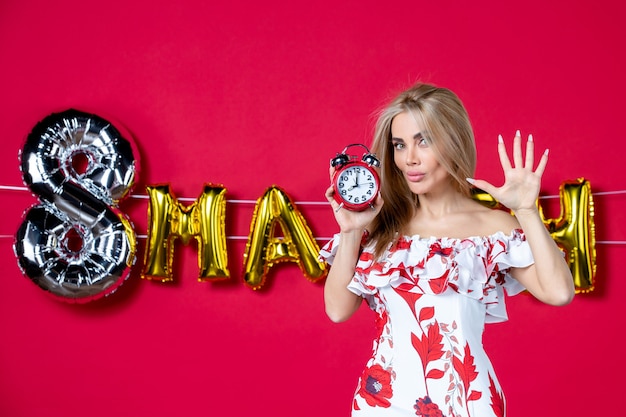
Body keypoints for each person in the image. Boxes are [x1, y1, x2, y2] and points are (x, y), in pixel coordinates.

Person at [319, 82, 574, 417]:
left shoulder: (492, 230)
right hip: (383, 404)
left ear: (453, 141)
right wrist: (352, 230)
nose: (409, 158)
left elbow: (559, 293)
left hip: (469, 403)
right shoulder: (379, 226)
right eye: (399, 145)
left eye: (423, 141)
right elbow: (337, 311)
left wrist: (526, 212)